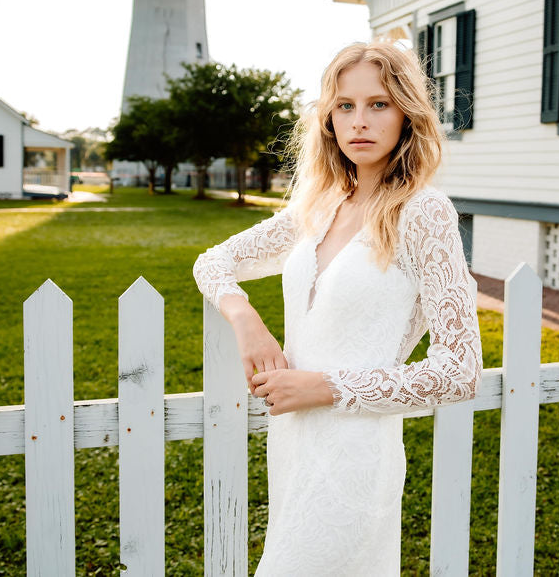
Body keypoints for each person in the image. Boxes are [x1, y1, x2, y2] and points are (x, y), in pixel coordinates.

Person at [192, 40, 482, 575]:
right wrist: (246, 321)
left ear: (406, 114)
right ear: (328, 119)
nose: (360, 122)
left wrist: (325, 386)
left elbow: (460, 372)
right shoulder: (321, 206)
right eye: (345, 106)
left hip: (355, 455)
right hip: (293, 448)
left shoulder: (423, 213)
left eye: (379, 104)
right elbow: (213, 263)